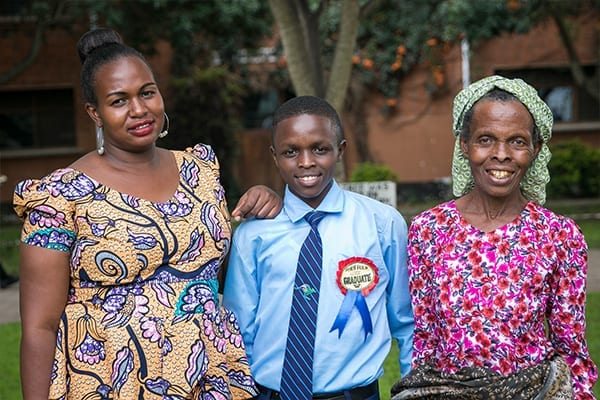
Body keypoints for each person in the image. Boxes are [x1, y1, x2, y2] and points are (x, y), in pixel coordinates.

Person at [12, 27, 282, 400]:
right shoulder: (58, 197)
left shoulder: (199, 170)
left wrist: (265, 204)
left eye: (147, 93)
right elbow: (40, 327)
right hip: (111, 383)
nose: (139, 110)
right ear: (95, 112)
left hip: (212, 375)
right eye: (119, 100)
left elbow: (221, 269)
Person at [391, 75, 598, 399]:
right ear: (464, 144)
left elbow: (572, 349)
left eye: (517, 141)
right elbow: (426, 341)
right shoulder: (429, 230)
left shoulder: (560, 236)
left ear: (535, 149)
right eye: (485, 139)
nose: (501, 154)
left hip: (533, 392)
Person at [223, 95, 414, 400]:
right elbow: (236, 329)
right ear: (274, 156)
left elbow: (406, 322)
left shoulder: (382, 224)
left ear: (340, 151)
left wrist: (412, 392)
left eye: (320, 149)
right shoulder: (254, 234)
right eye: (290, 152)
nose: (306, 162)